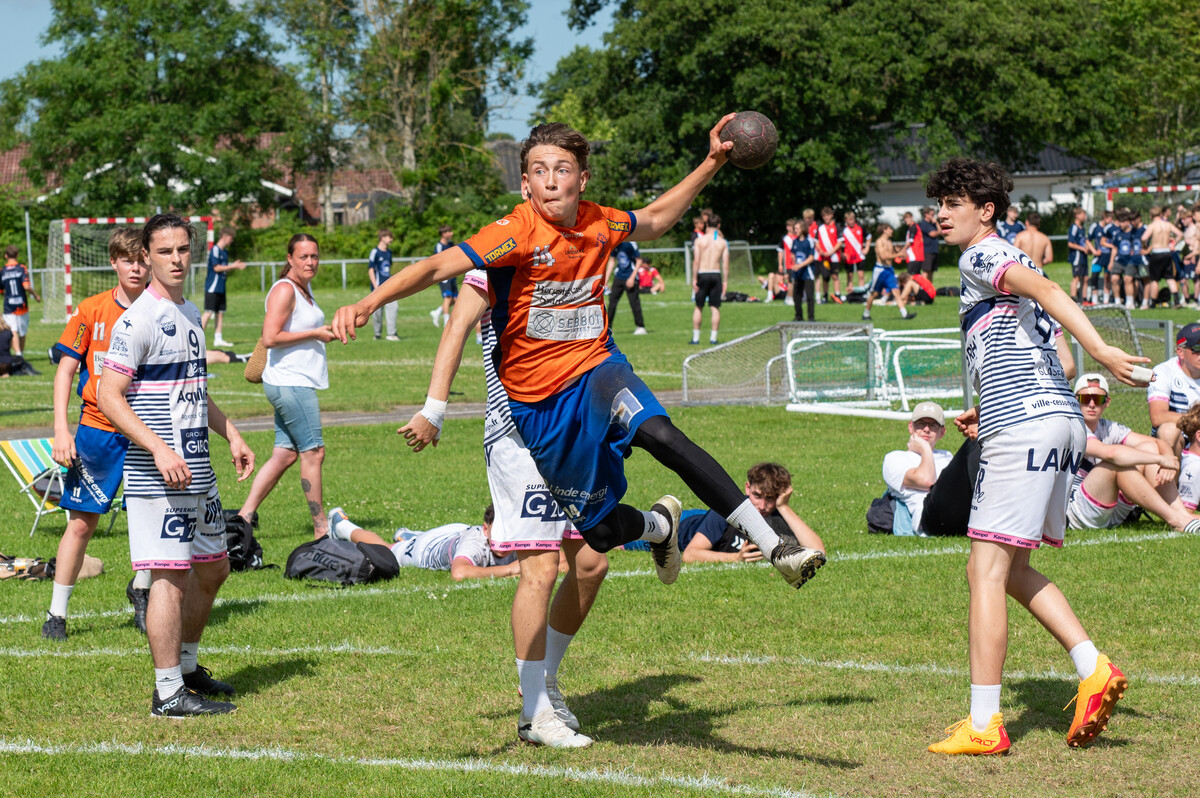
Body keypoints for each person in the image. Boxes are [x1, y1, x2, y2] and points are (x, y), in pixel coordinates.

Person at [333, 119, 826, 596]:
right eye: (540, 171)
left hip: (598, 371)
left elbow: (655, 219)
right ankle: (659, 527)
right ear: (525, 184)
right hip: (540, 407)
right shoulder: (513, 232)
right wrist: (368, 303)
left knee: (662, 434)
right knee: (602, 533)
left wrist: (713, 161)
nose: (551, 181)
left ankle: (776, 548)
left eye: (562, 169)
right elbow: (436, 266)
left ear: (582, 178)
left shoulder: (600, 220)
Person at [923, 158, 1146, 756]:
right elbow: (1054, 357)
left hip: (1025, 426)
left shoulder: (981, 255)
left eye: (953, 203)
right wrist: (991, 405)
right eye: (938, 204)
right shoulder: (1011, 259)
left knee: (985, 572)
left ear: (986, 210)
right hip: (1053, 422)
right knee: (1013, 569)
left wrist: (1103, 349)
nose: (940, 214)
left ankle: (984, 725)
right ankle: (1092, 666)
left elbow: (1050, 295)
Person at [397, 267, 610, 747]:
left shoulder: (571, 256)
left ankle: (544, 682)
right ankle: (535, 712)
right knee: (541, 569)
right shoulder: (494, 264)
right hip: (518, 436)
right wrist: (434, 409)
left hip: (571, 433)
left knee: (591, 564)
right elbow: (456, 326)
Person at [97, 213, 255, 717]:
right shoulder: (137, 320)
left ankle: (186, 669)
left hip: (198, 469)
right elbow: (109, 395)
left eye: (183, 249)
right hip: (157, 474)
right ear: (146, 256)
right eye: (165, 251)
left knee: (214, 568)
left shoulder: (189, 313)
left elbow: (194, 391)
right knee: (170, 577)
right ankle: (167, 693)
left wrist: (231, 433)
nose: (176, 259)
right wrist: (159, 449)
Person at [43, 228, 151, 641]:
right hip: (98, 431)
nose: (135, 268)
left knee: (152, 519)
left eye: (141, 260)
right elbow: (65, 372)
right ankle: (56, 614)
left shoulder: (162, 310)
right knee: (80, 525)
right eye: (127, 260)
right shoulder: (91, 310)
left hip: (148, 432)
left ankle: (141, 590)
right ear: (113, 262)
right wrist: (61, 429)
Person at [235, 235, 334, 538]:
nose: (310, 262)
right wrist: (316, 333)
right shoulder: (285, 289)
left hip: (291, 382)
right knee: (313, 453)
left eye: (314, 256)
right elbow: (270, 337)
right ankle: (321, 530)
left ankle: (243, 518)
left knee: (285, 455)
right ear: (290, 258)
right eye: (303, 257)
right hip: (291, 383)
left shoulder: (303, 288)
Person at [1067, 373, 1200, 533]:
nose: (1092, 404)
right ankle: (1175, 519)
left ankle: (1182, 514)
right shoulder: (1073, 426)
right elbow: (1110, 453)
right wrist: (1160, 460)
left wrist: (1167, 459)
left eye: (1098, 399)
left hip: (1108, 508)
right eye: (1085, 399)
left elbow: (1158, 443)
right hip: (1077, 510)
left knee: (1148, 448)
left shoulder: (1108, 427)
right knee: (1115, 464)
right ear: (1075, 400)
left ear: (1107, 402)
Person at [328, 505, 531, 581]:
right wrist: (510, 570)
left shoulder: (522, 539)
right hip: (427, 549)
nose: (505, 540)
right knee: (387, 552)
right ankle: (341, 525)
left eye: (509, 534)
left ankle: (408, 536)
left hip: (454, 534)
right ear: (486, 529)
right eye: (499, 533)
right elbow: (459, 573)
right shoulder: (476, 543)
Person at [679, 463, 822, 563]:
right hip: (681, 523)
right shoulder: (726, 511)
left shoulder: (778, 513)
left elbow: (818, 552)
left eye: (770, 498)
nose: (762, 506)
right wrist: (736, 558)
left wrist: (784, 507)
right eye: (757, 496)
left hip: (703, 517)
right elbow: (690, 554)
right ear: (748, 488)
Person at [881, 403, 953, 535]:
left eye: (933, 425)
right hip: (928, 516)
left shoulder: (947, 456)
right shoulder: (895, 458)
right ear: (911, 427)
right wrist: (925, 449)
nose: (926, 429)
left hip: (954, 509)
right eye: (921, 424)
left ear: (942, 432)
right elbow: (927, 481)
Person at [1146, 322, 1200, 450]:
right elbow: (1157, 417)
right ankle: (1172, 463)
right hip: (1178, 441)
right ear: (1180, 352)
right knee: (1168, 430)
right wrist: (1196, 420)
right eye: (1197, 348)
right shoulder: (1163, 372)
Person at [200, 228, 245, 348]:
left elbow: (224, 268)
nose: (232, 240)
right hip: (212, 287)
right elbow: (216, 268)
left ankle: (218, 339)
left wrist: (232, 266)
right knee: (208, 312)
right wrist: (234, 266)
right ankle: (197, 337)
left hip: (221, 287)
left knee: (220, 313)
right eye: (231, 238)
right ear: (224, 236)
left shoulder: (225, 252)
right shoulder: (215, 249)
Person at [863, 224, 915, 321]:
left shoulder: (890, 242)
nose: (892, 231)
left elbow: (893, 255)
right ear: (885, 230)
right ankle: (866, 314)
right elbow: (883, 256)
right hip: (880, 270)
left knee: (896, 291)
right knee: (874, 294)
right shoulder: (879, 242)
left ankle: (905, 314)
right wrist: (898, 254)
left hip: (889, 270)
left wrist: (901, 254)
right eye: (890, 229)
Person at [691, 212, 728, 345]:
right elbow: (725, 264)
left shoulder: (700, 240)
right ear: (719, 225)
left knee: (698, 306)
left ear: (707, 224)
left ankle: (696, 338)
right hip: (716, 273)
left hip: (703, 273)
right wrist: (725, 281)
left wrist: (694, 279)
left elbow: (696, 261)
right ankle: (713, 337)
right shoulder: (722, 242)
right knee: (715, 307)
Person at [1141, 205, 1184, 308]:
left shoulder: (1152, 226)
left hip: (1157, 252)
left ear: (1151, 216)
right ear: (1160, 214)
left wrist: (1145, 245)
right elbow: (1180, 234)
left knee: (1154, 279)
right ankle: (1177, 301)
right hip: (1167, 252)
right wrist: (1173, 244)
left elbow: (1143, 238)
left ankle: (1152, 303)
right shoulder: (1167, 224)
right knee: (1170, 277)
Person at [2, 245, 40, 355]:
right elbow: (26, 286)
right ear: (17, 255)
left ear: (6, 256)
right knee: (22, 332)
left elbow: (1, 290)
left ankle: (18, 354)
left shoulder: (2, 271)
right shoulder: (21, 268)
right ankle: (20, 355)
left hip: (9, 306)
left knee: (13, 330)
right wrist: (35, 295)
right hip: (21, 305)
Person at [605, 238, 647, 334]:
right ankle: (608, 328)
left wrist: (632, 278)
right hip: (619, 277)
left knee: (634, 302)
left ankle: (640, 327)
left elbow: (639, 261)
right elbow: (612, 261)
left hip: (630, 276)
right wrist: (606, 279)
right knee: (612, 302)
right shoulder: (615, 242)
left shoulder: (631, 243)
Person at [368, 229, 398, 341]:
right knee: (377, 313)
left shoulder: (389, 252)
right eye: (389, 237)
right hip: (377, 288)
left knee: (393, 307)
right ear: (383, 238)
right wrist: (375, 286)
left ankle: (392, 333)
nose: (391, 239)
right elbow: (371, 269)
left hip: (389, 287)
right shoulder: (375, 252)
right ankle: (377, 334)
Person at [431, 225, 457, 327]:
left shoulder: (451, 244)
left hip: (452, 274)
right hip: (444, 276)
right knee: (448, 298)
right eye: (449, 232)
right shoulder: (439, 246)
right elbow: (436, 261)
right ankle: (446, 321)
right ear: (443, 234)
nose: (451, 233)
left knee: (455, 299)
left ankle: (437, 312)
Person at [815, 207, 843, 302]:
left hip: (834, 257)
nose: (826, 217)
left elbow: (840, 242)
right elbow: (816, 241)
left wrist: (831, 252)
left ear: (831, 215)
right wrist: (821, 251)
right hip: (824, 257)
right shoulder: (820, 228)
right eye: (824, 216)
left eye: (827, 215)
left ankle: (837, 295)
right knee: (825, 277)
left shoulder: (837, 226)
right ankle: (825, 296)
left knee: (835, 276)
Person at [790, 224, 817, 321]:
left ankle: (811, 317)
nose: (795, 230)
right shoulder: (795, 241)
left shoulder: (809, 241)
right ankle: (798, 316)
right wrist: (794, 262)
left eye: (797, 228)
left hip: (807, 272)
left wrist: (800, 265)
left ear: (802, 229)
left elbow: (811, 257)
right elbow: (793, 253)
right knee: (796, 295)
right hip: (798, 273)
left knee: (810, 296)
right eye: (795, 228)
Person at [1088, 209, 1115, 304]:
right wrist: (1094, 251)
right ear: (1105, 217)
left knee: (1107, 277)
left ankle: (1106, 300)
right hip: (1098, 258)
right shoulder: (1095, 226)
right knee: (1094, 277)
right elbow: (1088, 240)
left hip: (1109, 257)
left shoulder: (1111, 228)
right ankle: (1094, 300)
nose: (1111, 220)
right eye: (1110, 218)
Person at [841, 210, 869, 293]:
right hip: (848, 256)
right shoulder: (844, 230)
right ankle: (850, 294)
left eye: (852, 219)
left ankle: (861, 293)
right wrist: (841, 254)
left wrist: (866, 248)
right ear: (846, 220)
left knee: (861, 276)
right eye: (849, 219)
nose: (851, 221)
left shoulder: (860, 227)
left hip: (859, 255)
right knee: (850, 277)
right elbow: (838, 242)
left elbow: (869, 237)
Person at [1066, 207, 1090, 304]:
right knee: (1076, 277)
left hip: (1083, 257)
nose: (1085, 216)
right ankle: (1073, 298)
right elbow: (1070, 243)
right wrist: (1082, 248)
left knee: (1085, 278)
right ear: (1077, 215)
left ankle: (1084, 299)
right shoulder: (1074, 227)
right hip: (1077, 257)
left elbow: (1084, 241)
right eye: (1083, 214)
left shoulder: (1082, 228)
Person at [918, 206, 941, 276]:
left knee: (931, 271)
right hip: (927, 251)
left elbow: (941, 232)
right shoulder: (923, 224)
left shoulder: (933, 224)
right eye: (932, 215)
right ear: (926, 214)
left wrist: (936, 223)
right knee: (926, 271)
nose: (933, 216)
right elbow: (932, 234)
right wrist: (938, 232)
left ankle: (929, 284)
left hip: (933, 250)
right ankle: (923, 284)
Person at [903, 211, 924, 276]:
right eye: (905, 218)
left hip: (915, 256)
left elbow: (910, 241)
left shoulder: (913, 227)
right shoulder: (911, 228)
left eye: (907, 217)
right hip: (914, 256)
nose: (906, 220)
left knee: (911, 276)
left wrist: (902, 250)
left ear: (911, 217)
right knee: (917, 275)